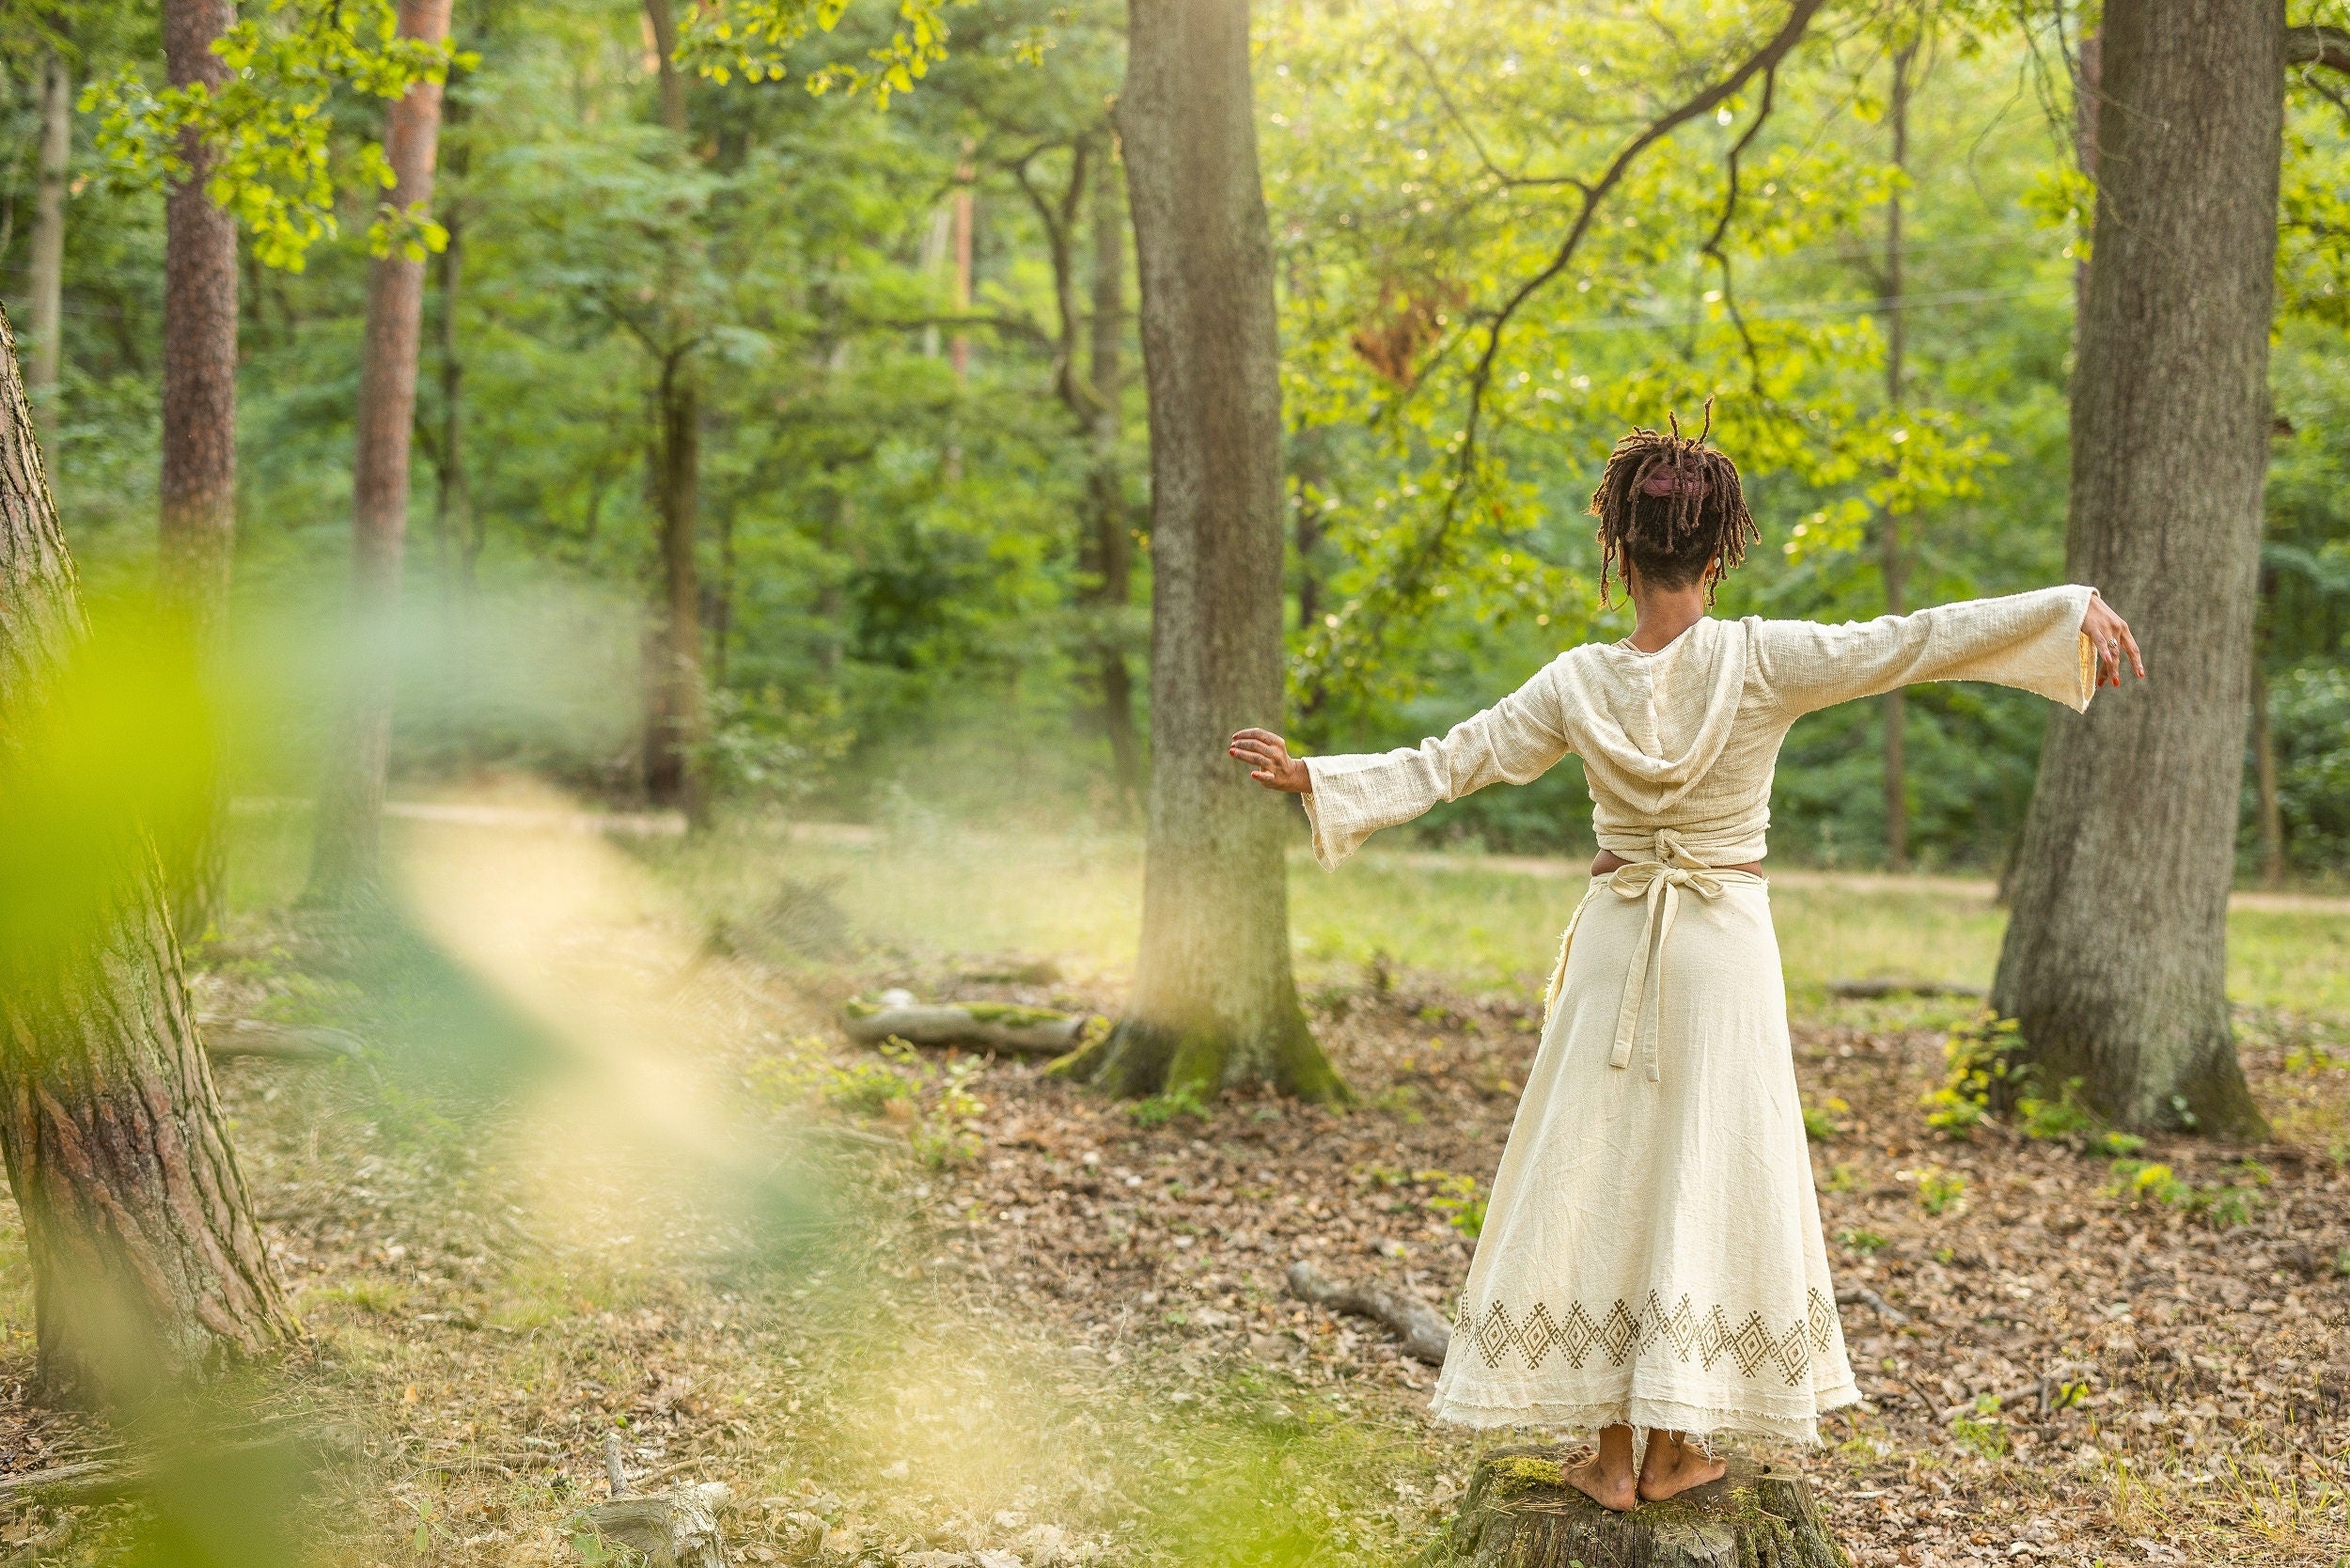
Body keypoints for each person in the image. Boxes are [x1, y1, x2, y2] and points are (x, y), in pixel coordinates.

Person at [1228, 414, 2145, 1511]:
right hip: (1720, 949)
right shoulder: (1763, 658)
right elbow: (1911, 639)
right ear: (1717, 553)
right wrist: (2060, 608)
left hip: (1621, 940)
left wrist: (1313, 779)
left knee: (1605, 1175)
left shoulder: (1576, 681)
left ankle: (1610, 1459)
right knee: (1701, 1177)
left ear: (1617, 551)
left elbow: (1451, 760)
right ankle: (1675, 1448)